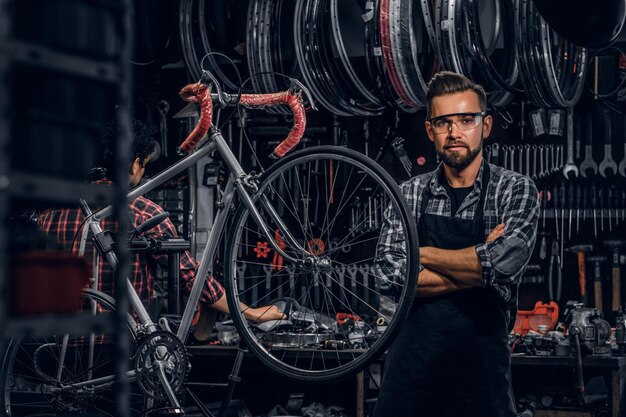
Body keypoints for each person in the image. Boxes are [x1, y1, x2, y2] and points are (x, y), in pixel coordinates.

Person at [373, 72, 540, 417]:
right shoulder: (408, 195)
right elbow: (389, 277)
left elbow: (505, 262)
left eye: (466, 119)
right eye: (443, 122)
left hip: (481, 381)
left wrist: (419, 255)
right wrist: (480, 265)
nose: (454, 132)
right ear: (429, 130)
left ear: (486, 125)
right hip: (409, 381)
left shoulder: (515, 190)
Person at [38, 120, 284, 342]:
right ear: (135, 163)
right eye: (144, 165)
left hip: (54, 353)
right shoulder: (144, 212)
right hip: (119, 352)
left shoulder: (52, 213)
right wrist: (251, 313)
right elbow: (192, 278)